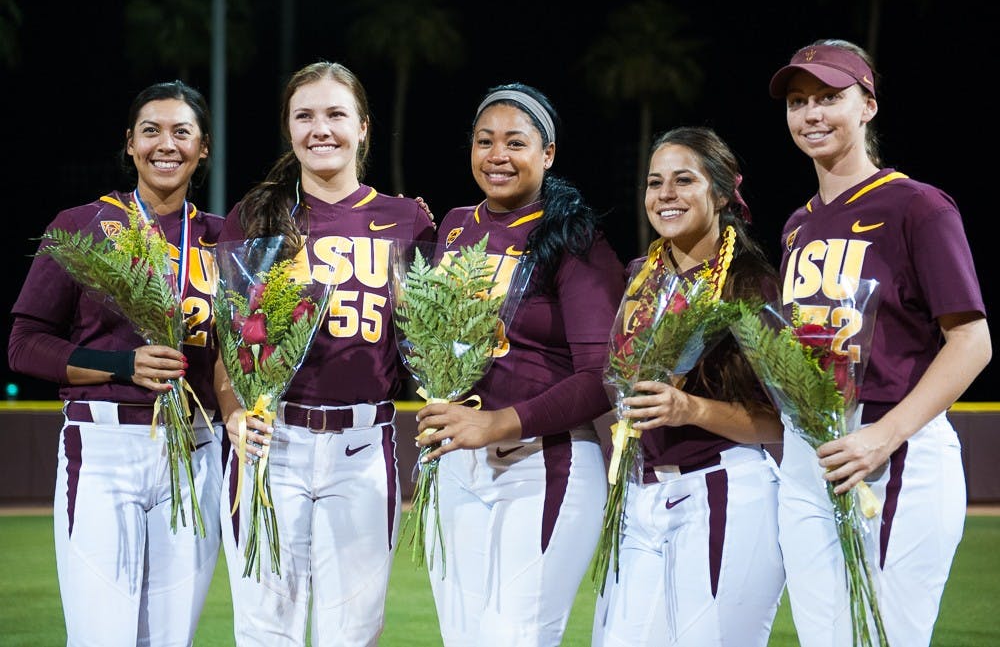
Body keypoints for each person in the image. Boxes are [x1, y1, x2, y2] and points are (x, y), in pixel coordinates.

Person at [768, 38, 991, 646]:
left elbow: (972, 342)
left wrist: (884, 436)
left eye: (829, 98)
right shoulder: (798, 224)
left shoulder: (918, 206)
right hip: (812, 456)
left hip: (898, 454)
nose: (811, 113)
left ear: (867, 105)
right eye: (797, 101)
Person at [214, 60, 435, 647]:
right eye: (305, 115)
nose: (321, 128)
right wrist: (234, 413)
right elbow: (229, 349)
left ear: (363, 126)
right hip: (270, 442)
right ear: (289, 130)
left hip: (363, 446)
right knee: (264, 631)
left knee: (353, 633)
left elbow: (429, 337)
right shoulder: (256, 217)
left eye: (336, 114)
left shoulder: (406, 220)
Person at [7, 80, 224, 646]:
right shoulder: (81, 225)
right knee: (102, 637)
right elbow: (25, 343)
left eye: (182, 131)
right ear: (129, 143)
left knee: (169, 640)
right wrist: (121, 364)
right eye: (150, 131)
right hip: (104, 448)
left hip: (196, 451)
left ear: (204, 147)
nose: (165, 144)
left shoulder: (224, 240)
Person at [413, 82, 626, 647]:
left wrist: (493, 423)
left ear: (547, 154)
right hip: (456, 463)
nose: (498, 156)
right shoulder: (455, 226)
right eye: (485, 142)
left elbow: (602, 378)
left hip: (543, 463)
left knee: (517, 636)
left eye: (515, 142)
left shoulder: (573, 236)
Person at [590, 126, 785, 646]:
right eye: (655, 183)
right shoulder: (639, 275)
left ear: (721, 193)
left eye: (683, 180)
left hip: (722, 490)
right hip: (639, 492)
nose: (665, 195)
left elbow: (779, 423)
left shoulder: (749, 282)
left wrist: (689, 408)